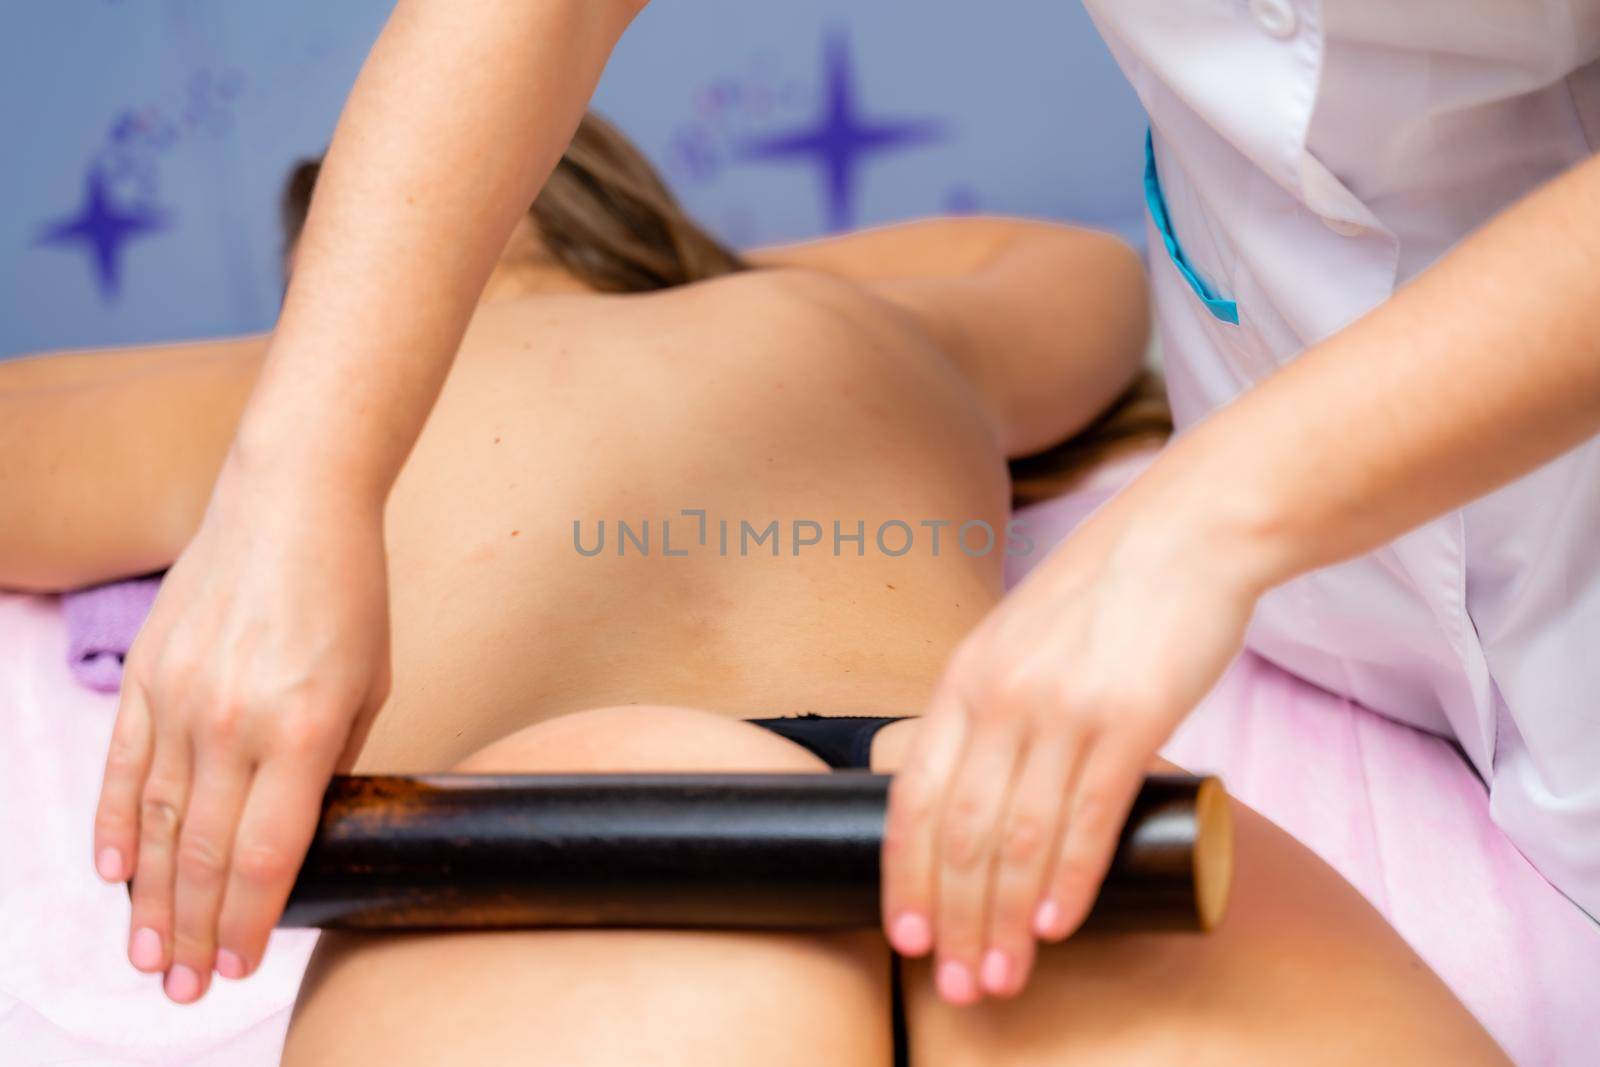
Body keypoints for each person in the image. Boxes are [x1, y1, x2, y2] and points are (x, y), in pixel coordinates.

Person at [84, 0, 1600, 1016]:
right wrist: (733, 287)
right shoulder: (881, 331)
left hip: (570, 820)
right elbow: (1079, 286)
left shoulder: (258, 405)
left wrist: (292, 446)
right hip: (977, 792)